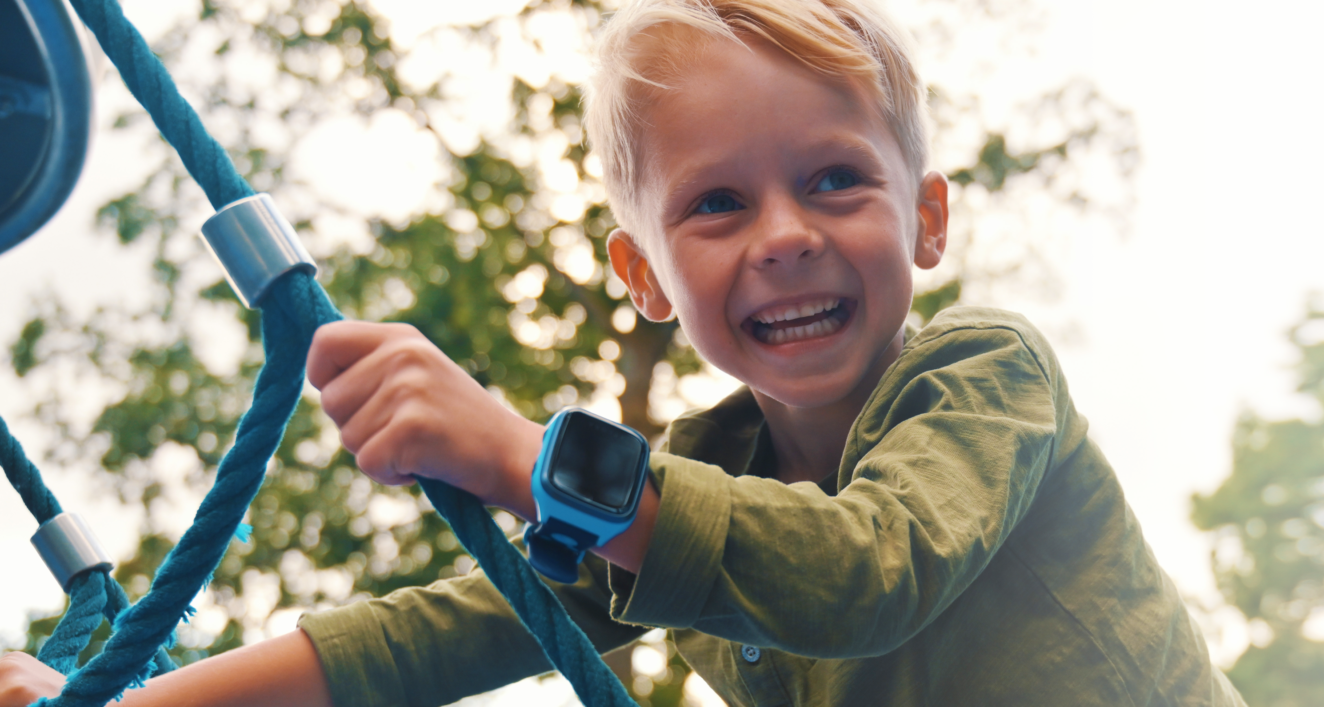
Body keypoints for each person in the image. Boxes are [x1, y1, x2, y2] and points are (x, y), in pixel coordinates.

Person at [0, 0, 1243, 704]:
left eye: (834, 179)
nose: (785, 235)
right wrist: (124, 700)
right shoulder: (706, 476)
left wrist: (522, 457)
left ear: (924, 219)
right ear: (644, 276)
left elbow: (866, 568)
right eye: (718, 204)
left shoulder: (984, 373)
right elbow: (448, 626)